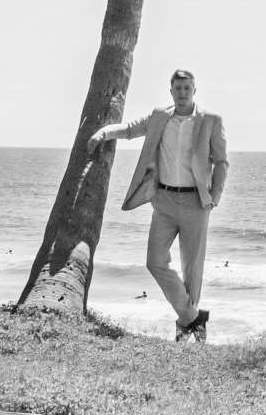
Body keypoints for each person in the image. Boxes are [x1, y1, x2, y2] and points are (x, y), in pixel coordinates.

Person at [87, 68, 228, 342]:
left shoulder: (211, 119)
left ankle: (189, 324)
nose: (183, 93)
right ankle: (192, 317)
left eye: (187, 88)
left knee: (192, 267)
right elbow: (129, 130)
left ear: (194, 91)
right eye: (178, 89)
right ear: (171, 91)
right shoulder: (160, 116)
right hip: (163, 200)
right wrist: (103, 133)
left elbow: (221, 161)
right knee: (154, 261)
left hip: (196, 202)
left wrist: (215, 196)